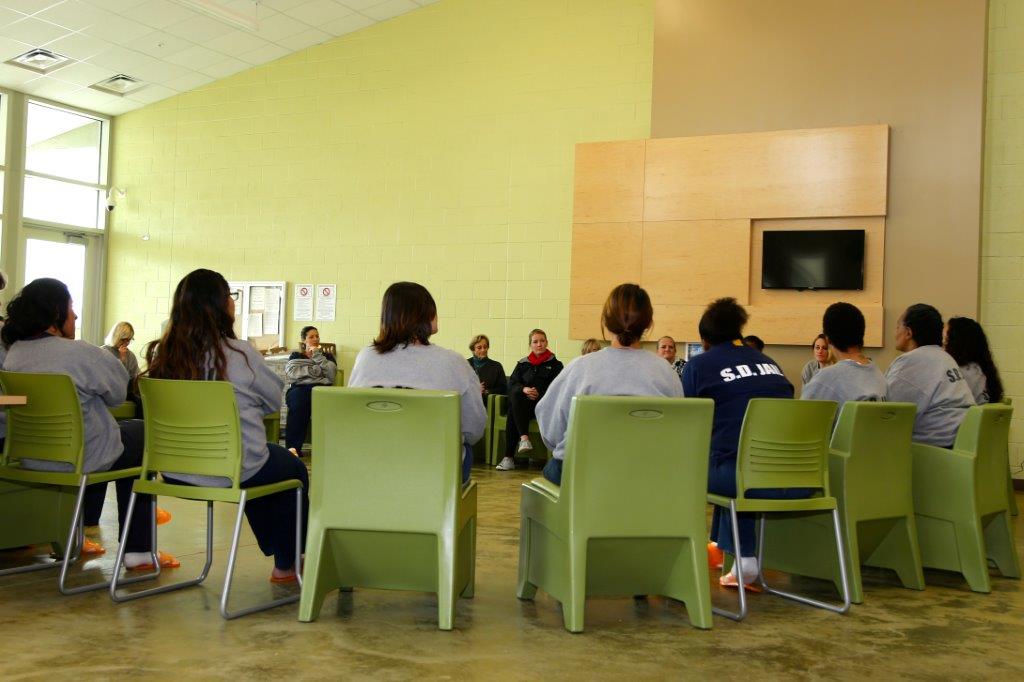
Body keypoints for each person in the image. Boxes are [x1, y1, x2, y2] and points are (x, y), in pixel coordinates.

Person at [2, 278, 176, 569]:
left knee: (118, 441)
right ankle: (139, 550)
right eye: (70, 307)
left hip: (33, 456)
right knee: (142, 437)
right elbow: (118, 393)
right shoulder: (79, 352)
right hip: (80, 456)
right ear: (56, 313)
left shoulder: (15, 353)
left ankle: (79, 533)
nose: (75, 315)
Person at [145, 269, 306, 582]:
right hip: (232, 469)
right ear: (222, 306)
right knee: (291, 470)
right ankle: (286, 563)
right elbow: (274, 402)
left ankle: (281, 555)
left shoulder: (163, 354)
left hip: (174, 471)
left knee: (262, 463)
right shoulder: (239, 353)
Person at [681, 297, 796, 588]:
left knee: (704, 462)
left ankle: (740, 558)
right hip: (793, 475)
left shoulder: (699, 366)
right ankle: (720, 547)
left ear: (704, 338)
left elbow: (685, 426)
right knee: (730, 454)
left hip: (743, 477)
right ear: (739, 332)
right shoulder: (771, 364)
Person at [536, 284, 682, 485]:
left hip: (584, 473)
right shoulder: (667, 373)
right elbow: (676, 433)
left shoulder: (579, 368)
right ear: (648, 323)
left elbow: (551, 431)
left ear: (605, 320)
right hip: (647, 474)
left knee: (553, 468)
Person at [349, 282, 486, 484]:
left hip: (372, 466)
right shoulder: (453, 362)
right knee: (464, 448)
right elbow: (474, 428)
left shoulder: (366, 357)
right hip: (433, 473)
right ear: (426, 314)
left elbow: (353, 416)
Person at [885, 303, 975, 448]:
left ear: (908, 332)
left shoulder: (911, 361)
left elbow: (885, 413)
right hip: (962, 443)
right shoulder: (946, 358)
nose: (895, 333)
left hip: (936, 449)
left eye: (897, 327)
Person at [495, 329, 564, 471]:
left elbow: (558, 388)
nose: (539, 344)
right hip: (523, 405)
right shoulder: (522, 364)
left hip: (544, 407)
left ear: (547, 343)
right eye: (535, 341)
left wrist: (540, 394)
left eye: (542, 341)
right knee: (516, 397)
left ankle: (509, 456)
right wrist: (524, 389)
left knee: (513, 410)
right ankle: (524, 440)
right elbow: (512, 384)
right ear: (530, 345)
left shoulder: (557, 365)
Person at [801, 302, 886, 415]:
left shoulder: (824, 381)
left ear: (828, 339)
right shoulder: (879, 375)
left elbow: (798, 425)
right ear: (861, 335)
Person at [284, 326, 337, 455]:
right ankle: (293, 449)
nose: (315, 339)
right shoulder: (296, 355)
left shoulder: (327, 356)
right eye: (311, 337)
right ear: (304, 341)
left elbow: (331, 375)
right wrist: (316, 371)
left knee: (328, 403)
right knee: (298, 403)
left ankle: (328, 448)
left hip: (321, 389)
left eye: (317, 336)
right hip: (300, 388)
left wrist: (318, 357)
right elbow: (292, 374)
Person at [944, 316, 1004, 405]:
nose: (942, 346)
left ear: (956, 343)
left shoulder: (960, 371)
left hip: (965, 417)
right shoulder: (982, 369)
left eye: (945, 340)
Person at [468, 334, 507, 404]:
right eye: (479, 348)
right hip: (468, 401)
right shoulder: (465, 364)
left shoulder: (496, 366)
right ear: (473, 349)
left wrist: (487, 391)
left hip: (488, 402)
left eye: (485, 347)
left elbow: (503, 388)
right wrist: (474, 389)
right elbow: (458, 385)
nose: (483, 350)